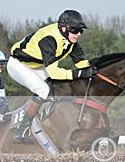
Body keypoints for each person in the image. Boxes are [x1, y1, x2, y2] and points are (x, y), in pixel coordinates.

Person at [6, 9, 97, 144]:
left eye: (81, 31)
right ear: (64, 28)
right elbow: (55, 73)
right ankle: (22, 128)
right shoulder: (48, 39)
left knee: (60, 87)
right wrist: (78, 74)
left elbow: (82, 64)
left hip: (35, 66)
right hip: (18, 65)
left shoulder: (71, 42)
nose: (78, 34)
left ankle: (43, 118)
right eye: (75, 30)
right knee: (43, 90)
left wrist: (94, 72)